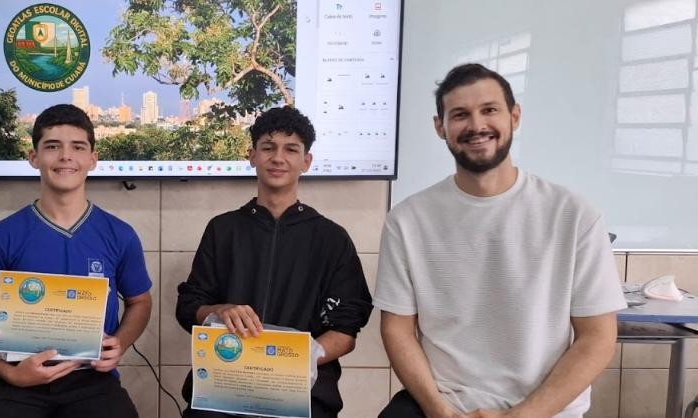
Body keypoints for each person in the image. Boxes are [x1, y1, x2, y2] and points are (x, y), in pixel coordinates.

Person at [375, 63, 627, 418]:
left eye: (489, 110)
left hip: (546, 410)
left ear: (514, 116)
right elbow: (397, 329)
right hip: (444, 405)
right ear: (440, 127)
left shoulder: (573, 215)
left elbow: (597, 338)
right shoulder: (407, 220)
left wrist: (522, 416)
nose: (476, 125)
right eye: (460, 114)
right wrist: (439, 411)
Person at [175, 106, 373, 417]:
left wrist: (304, 357)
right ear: (252, 156)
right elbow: (188, 307)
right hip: (224, 385)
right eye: (268, 147)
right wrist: (218, 311)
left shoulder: (332, 239)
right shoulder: (222, 229)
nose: (278, 158)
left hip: (302, 393)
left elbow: (347, 330)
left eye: (291, 149)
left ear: (306, 161)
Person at [0, 104, 153, 418]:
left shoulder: (120, 235)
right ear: (33, 157)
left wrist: (119, 343)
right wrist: (9, 373)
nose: (65, 156)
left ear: (93, 159)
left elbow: (140, 302)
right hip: (20, 378)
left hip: (92, 379)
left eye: (78, 147)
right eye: (52, 146)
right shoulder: (2, 235)